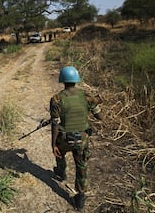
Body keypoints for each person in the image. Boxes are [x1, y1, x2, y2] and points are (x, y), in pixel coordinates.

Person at [49, 66, 103, 211]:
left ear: (62, 80)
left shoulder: (56, 99)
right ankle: (80, 198)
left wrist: (53, 144)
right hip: (82, 140)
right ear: (76, 79)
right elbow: (100, 117)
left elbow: (55, 124)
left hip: (64, 139)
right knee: (81, 166)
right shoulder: (86, 96)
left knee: (59, 153)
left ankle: (61, 172)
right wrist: (93, 106)